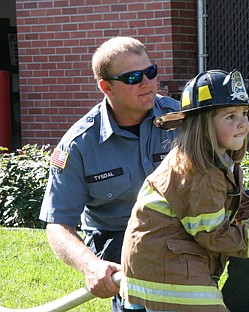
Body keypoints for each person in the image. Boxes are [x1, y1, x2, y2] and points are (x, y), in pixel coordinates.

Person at [119, 69, 249, 312]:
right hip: (166, 271)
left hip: (170, 261)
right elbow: (214, 236)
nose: (242, 123)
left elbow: (239, 202)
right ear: (203, 125)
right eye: (230, 116)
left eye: (244, 113)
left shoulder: (217, 160)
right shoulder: (198, 174)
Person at [39, 36, 179, 312]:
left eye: (151, 72)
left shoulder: (181, 119)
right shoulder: (78, 145)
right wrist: (92, 266)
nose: (148, 83)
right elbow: (58, 224)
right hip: (119, 237)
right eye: (133, 77)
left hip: (181, 224)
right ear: (106, 87)